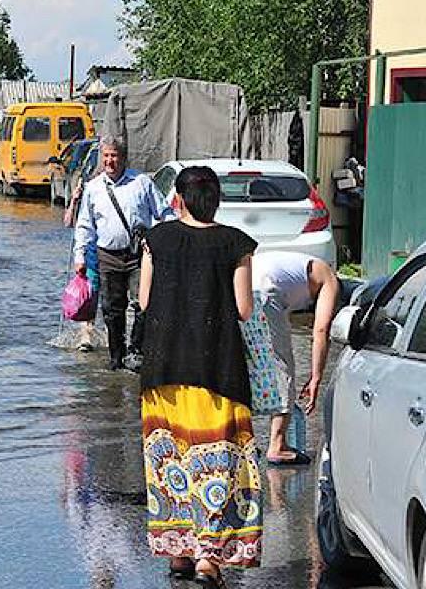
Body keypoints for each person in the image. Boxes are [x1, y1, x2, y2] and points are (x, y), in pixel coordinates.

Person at [138, 166, 262, 586]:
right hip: (216, 367)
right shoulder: (235, 243)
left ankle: (178, 553)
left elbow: (143, 300)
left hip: (163, 370)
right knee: (217, 462)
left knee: (171, 460)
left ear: (180, 198)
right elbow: (244, 309)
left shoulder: (156, 239)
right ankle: (209, 557)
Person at [73, 136, 173, 370]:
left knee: (143, 304)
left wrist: (168, 241)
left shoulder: (142, 183)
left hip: (139, 256)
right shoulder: (93, 188)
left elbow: (164, 213)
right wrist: (80, 256)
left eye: (114, 155)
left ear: (124, 158)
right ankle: (116, 356)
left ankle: (136, 350)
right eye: (106, 156)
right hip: (107, 256)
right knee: (111, 309)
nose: (110, 161)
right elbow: (85, 224)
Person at [251, 250, 339, 466]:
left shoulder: (300, 268)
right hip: (267, 291)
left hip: (244, 286)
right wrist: (316, 377)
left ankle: (244, 439)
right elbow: (321, 330)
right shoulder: (330, 279)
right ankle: (277, 445)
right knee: (283, 368)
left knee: (248, 365)